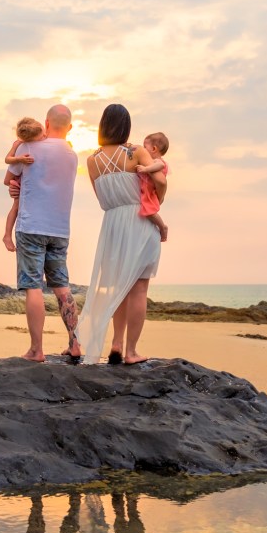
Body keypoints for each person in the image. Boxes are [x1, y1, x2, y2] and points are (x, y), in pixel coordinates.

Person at [77, 104, 165, 365]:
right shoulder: (135, 151)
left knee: (118, 286)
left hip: (112, 223)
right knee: (138, 288)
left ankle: (115, 343)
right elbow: (159, 179)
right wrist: (158, 200)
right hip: (138, 219)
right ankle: (131, 351)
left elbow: (101, 199)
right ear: (126, 126)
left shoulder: (92, 161)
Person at [7, 104, 81, 363]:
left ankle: (37, 350)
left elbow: (10, 178)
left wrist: (15, 186)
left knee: (33, 286)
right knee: (62, 285)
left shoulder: (27, 147)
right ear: (69, 127)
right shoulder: (73, 155)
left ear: (46, 123)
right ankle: (75, 344)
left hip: (31, 226)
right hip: (60, 229)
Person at [2, 117, 45, 252]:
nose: (44, 136)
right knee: (16, 206)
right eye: (41, 136)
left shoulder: (40, 137)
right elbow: (7, 160)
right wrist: (19, 158)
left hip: (23, 177)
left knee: (16, 205)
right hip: (19, 179)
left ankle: (7, 235)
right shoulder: (20, 146)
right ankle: (7, 235)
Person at [136, 131, 170, 241]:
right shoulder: (152, 161)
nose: (143, 150)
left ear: (154, 149)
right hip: (148, 190)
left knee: (149, 212)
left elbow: (160, 165)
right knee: (147, 210)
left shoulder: (157, 161)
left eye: (145, 147)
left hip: (150, 191)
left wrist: (145, 169)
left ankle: (162, 227)